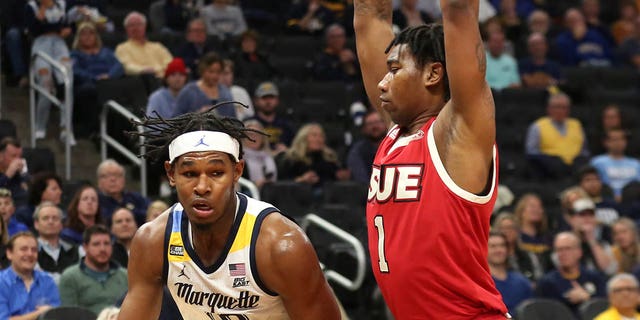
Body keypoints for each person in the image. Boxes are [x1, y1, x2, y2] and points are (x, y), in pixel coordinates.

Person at [354, 0, 508, 317]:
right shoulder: (396, 132)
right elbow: (370, 16)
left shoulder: (460, 131)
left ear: (434, 73)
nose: (382, 82)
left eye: (394, 70)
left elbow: (459, 10)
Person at [119, 106, 341, 318]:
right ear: (171, 173)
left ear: (237, 171)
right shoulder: (153, 241)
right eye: (189, 174)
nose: (202, 187)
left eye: (216, 173)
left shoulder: (281, 246)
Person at [25, 0, 74, 141]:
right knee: (45, 84)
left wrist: (54, 28)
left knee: (67, 83)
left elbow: (67, 26)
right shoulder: (31, 6)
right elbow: (33, 29)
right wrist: (43, 12)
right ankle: (40, 126)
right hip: (41, 45)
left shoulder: (62, 4)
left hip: (59, 46)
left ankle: (66, 127)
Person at [70, 22, 124, 138]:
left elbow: (118, 66)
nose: (88, 36)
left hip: (108, 83)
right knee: (89, 91)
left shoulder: (106, 52)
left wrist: (108, 75)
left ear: (96, 36)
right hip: (89, 85)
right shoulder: (75, 54)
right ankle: (95, 130)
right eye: (84, 34)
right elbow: (75, 71)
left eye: (91, 33)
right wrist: (95, 78)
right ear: (78, 38)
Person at [58, 225, 128, 315]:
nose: (102, 249)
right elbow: (69, 316)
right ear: (85, 247)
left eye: (106, 243)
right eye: (96, 244)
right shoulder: (70, 277)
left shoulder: (125, 275)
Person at [536, 232, 606, 315]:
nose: (563, 254)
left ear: (579, 252)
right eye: (559, 250)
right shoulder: (547, 283)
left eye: (567, 249)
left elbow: (605, 309)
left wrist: (587, 299)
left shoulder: (595, 278)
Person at [525, 90, 589, 180]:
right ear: (549, 108)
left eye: (564, 107)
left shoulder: (576, 124)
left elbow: (584, 150)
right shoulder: (537, 126)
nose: (560, 110)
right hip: (551, 168)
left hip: (575, 168)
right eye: (557, 107)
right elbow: (531, 152)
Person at [0, 232, 60, 319]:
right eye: (24, 249)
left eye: (34, 250)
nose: (30, 254)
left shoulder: (47, 281)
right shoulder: (1, 282)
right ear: (9, 254)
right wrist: (39, 314)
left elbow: (56, 317)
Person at [278, 123, 350, 191]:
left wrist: (341, 176)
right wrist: (301, 180)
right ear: (303, 138)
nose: (319, 139)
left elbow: (333, 180)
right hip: (297, 198)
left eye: (321, 136)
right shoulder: (290, 159)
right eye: (314, 135)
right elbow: (281, 183)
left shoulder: (329, 159)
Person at [173, 52, 236, 118]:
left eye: (218, 72)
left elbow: (234, 120)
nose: (215, 75)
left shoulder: (225, 93)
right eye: (211, 71)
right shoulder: (189, 91)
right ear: (202, 70)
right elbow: (176, 119)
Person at [115, 11, 173, 78]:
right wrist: (143, 70)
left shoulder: (158, 46)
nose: (135, 28)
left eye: (139, 24)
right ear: (126, 29)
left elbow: (170, 63)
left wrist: (155, 70)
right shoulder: (122, 48)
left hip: (165, 80)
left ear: (144, 27)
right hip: (141, 81)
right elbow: (126, 67)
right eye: (131, 25)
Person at [487, 231, 532, 316]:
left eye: (502, 245)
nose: (498, 250)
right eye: (493, 246)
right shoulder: (482, 284)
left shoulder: (522, 282)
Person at [33, 202, 80, 282]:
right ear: (36, 224)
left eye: (55, 218)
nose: (51, 222)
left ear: (61, 225)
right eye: (45, 218)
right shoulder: (30, 250)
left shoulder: (74, 250)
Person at [591, 128, 640, 202]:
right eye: (614, 139)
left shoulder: (635, 163)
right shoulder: (597, 162)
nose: (618, 142)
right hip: (606, 200)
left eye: (621, 139)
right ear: (606, 142)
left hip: (633, 201)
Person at [96, 159, 150, 227]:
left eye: (117, 175)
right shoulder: (95, 201)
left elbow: (151, 212)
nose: (113, 179)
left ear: (124, 179)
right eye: (107, 175)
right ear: (99, 181)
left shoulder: (135, 198)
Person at [248, 81, 295, 155]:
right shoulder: (248, 124)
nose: (268, 101)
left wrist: (287, 150)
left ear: (277, 100)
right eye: (264, 98)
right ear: (256, 101)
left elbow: (294, 148)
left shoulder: (286, 126)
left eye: (271, 97)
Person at [347, 109, 387, 184]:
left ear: (385, 124)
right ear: (363, 129)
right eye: (370, 124)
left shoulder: (397, 145)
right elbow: (361, 180)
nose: (375, 126)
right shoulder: (357, 151)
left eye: (377, 122)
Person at [242, 119, 278, 189]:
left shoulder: (271, 157)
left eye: (257, 134)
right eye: (250, 134)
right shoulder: (238, 158)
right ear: (243, 137)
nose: (254, 137)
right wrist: (254, 184)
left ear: (263, 137)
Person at [0, 137, 29, 206]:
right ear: (0, 156)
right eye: (13, 156)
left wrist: (23, 174)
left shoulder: (20, 175)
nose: (18, 160)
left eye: (20, 156)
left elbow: (31, 191)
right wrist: (7, 175)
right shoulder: (8, 175)